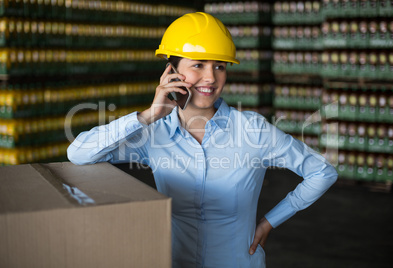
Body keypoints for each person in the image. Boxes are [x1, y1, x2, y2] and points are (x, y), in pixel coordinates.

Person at [67, 12, 338, 268]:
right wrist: (148, 115)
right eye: (198, 65)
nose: (211, 78)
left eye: (219, 66)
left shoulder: (252, 131)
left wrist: (269, 222)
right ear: (170, 71)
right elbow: (79, 153)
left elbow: (322, 172)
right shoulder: (154, 133)